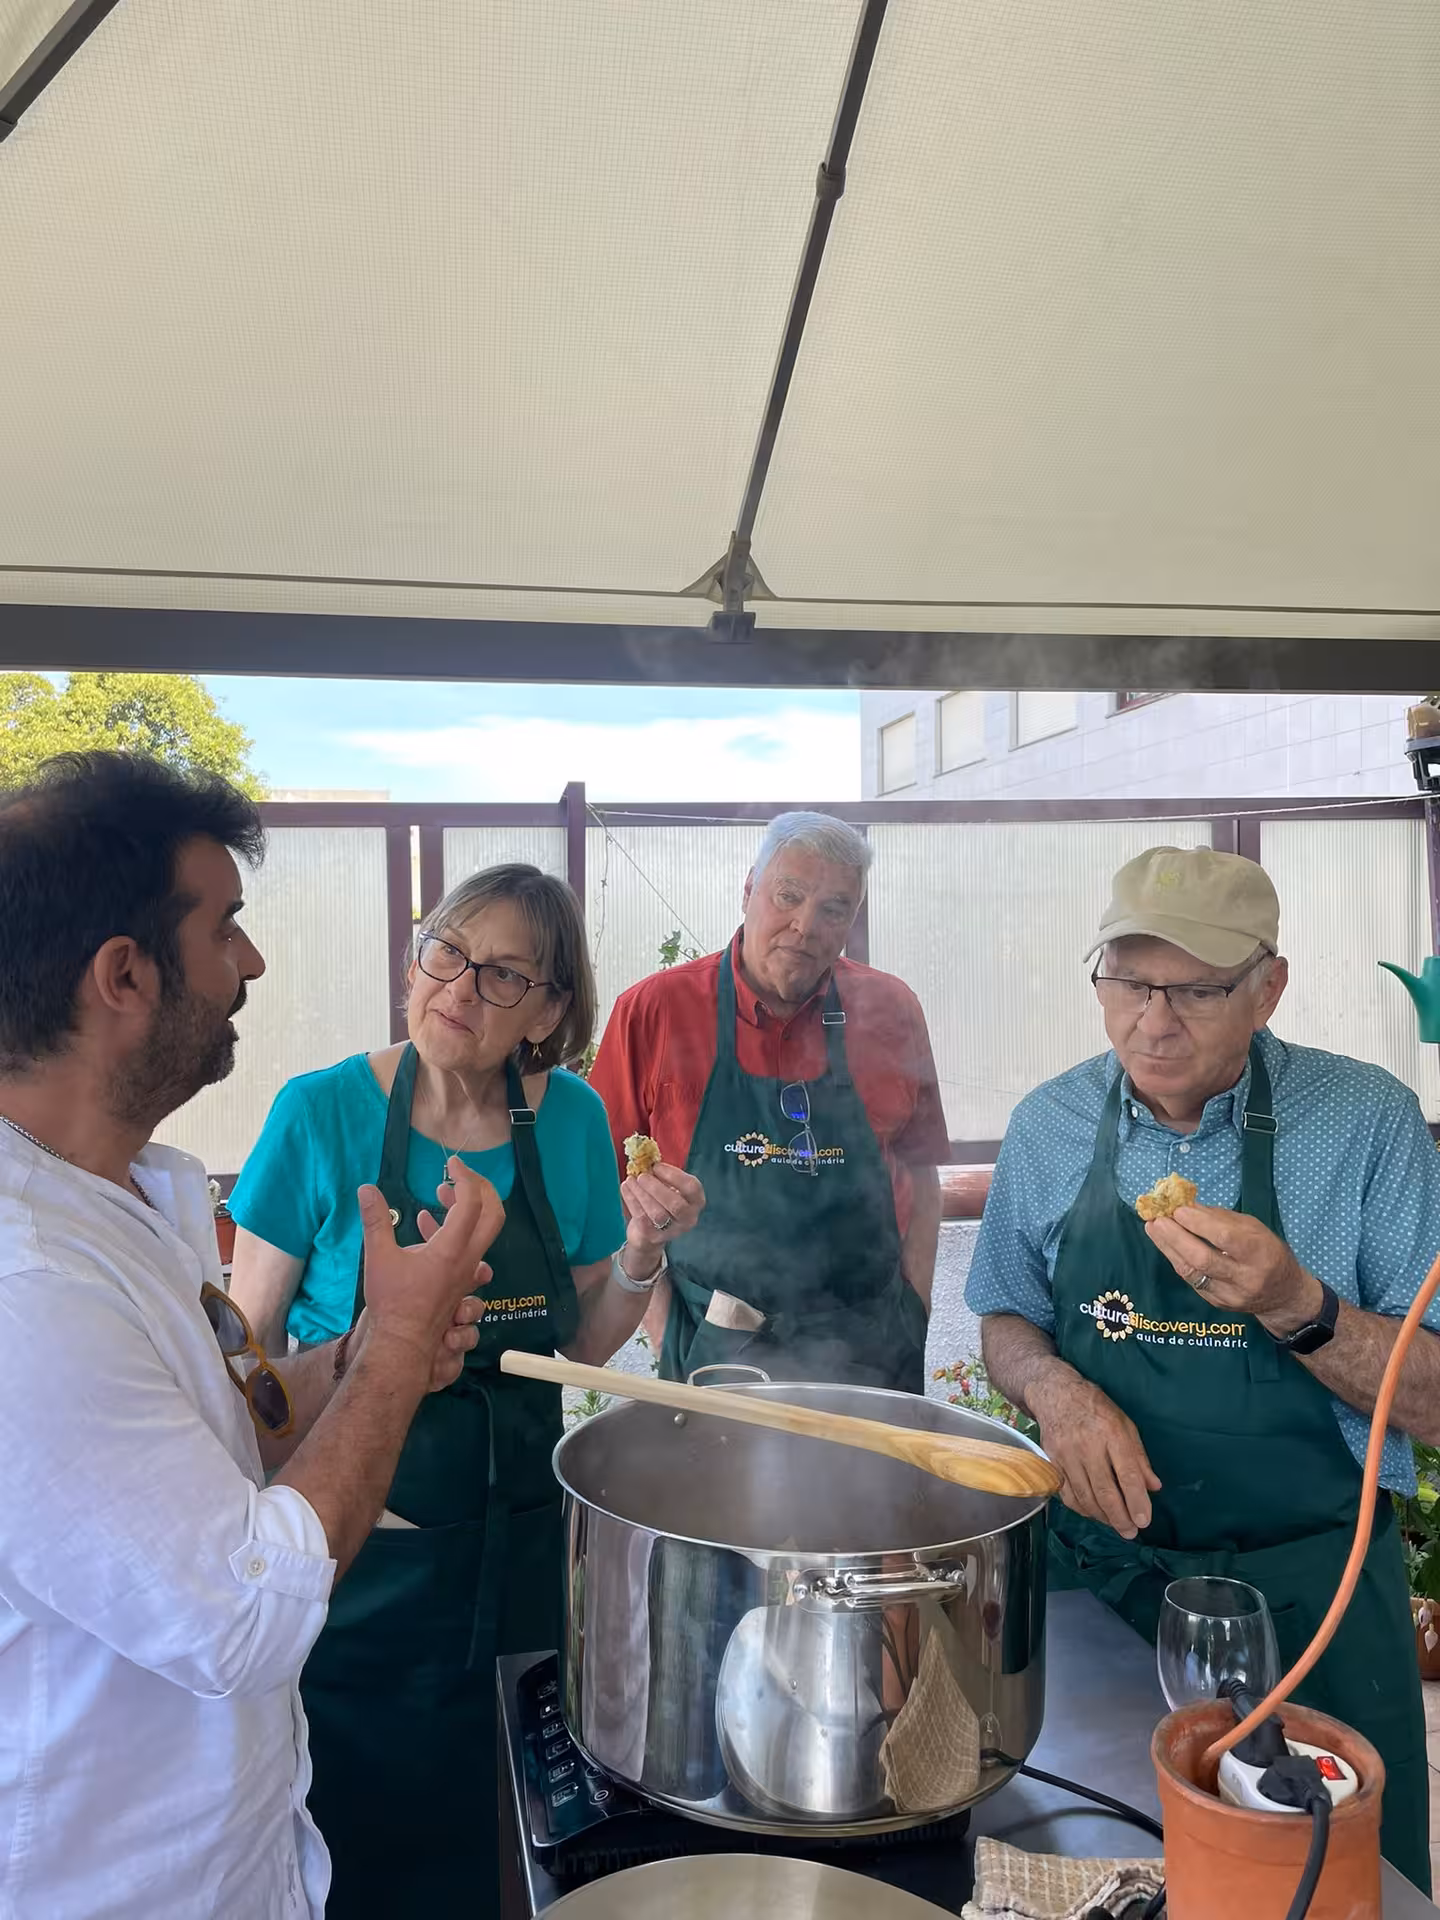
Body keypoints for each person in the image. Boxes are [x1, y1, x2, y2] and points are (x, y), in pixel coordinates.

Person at [0, 752, 506, 1919]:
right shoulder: (29, 1284)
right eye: (225, 928)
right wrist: (391, 1353)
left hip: (232, 1867)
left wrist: (363, 1347)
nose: (253, 962)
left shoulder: (125, 1196)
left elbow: (222, 1439)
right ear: (123, 975)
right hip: (110, 1888)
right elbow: (243, 1610)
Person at [228, 861, 703, 1916]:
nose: (458, 984)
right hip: (365, 1569)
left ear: (548, 1010)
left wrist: (640, 1251)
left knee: (517, 1844)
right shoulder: (318, 1113)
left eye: (502, 974)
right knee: (359, 1850)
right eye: (446, 950)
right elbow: (245, 1367)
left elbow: (578, 1338)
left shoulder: (571, 1122)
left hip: (529, 1560)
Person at [966, 844, 1440, 1891]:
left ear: (1270, 987)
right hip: (1103, 1596)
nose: (1154, 1020)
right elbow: (1005, 1316)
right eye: (1129, 982)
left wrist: (1297, 1307)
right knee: (1097, 1877)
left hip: (1313, 1601)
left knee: (1340, 1888)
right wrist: (1056, 1391)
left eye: (1196, 989)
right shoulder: (1050, 1124)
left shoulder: (1368, 1127)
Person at [589, 811, 947, 1390]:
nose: (805, 925)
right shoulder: (654, 1012)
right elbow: (607, 1187)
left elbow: (921, 1174)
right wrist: (662, 1331)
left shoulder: (892, 1011)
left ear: (852, 919)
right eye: (788, 895)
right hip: (712, 1346)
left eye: (834, 908)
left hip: (872, 1348)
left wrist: (916, 1307)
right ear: (748, 889)